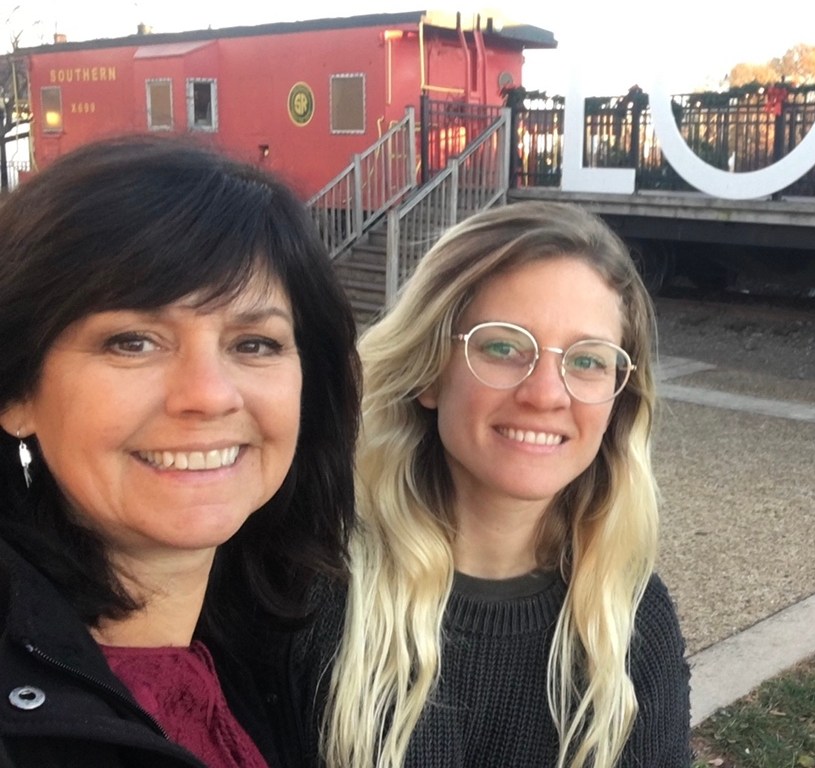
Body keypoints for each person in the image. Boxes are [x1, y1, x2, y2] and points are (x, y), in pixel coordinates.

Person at [0, 136, 360, 767]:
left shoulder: (281, 653)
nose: (209, 396)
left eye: (254, 344)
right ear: (16, 391)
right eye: (133, 341)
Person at [308, 201, 691, 767]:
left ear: (619, 397)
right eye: (504, 347)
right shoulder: (317, 595)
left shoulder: (632, 623)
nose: (546, 394)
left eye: (588, 361)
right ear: (431, 371)